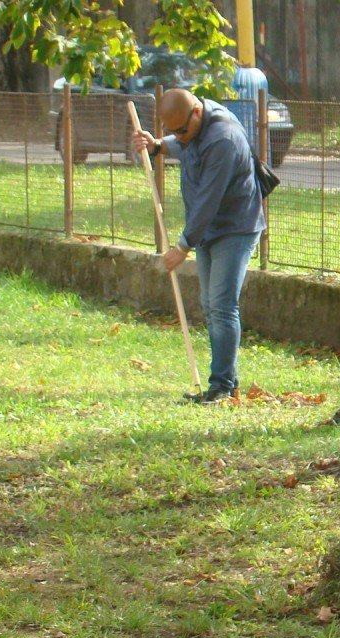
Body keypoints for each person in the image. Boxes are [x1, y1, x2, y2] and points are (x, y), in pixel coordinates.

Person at [132, 88, 266, 405]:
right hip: (208, 229)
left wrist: (182, 246)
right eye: (172, 132)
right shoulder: (192, 129)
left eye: (181, 130)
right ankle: (225, 382)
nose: (179, 136)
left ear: (196, 113)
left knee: (221, 305)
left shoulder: (223, 137)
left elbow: (208, 199)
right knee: (210, 304)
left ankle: (221, 387)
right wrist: (158, 146)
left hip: (235, 228)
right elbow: (185, 143)